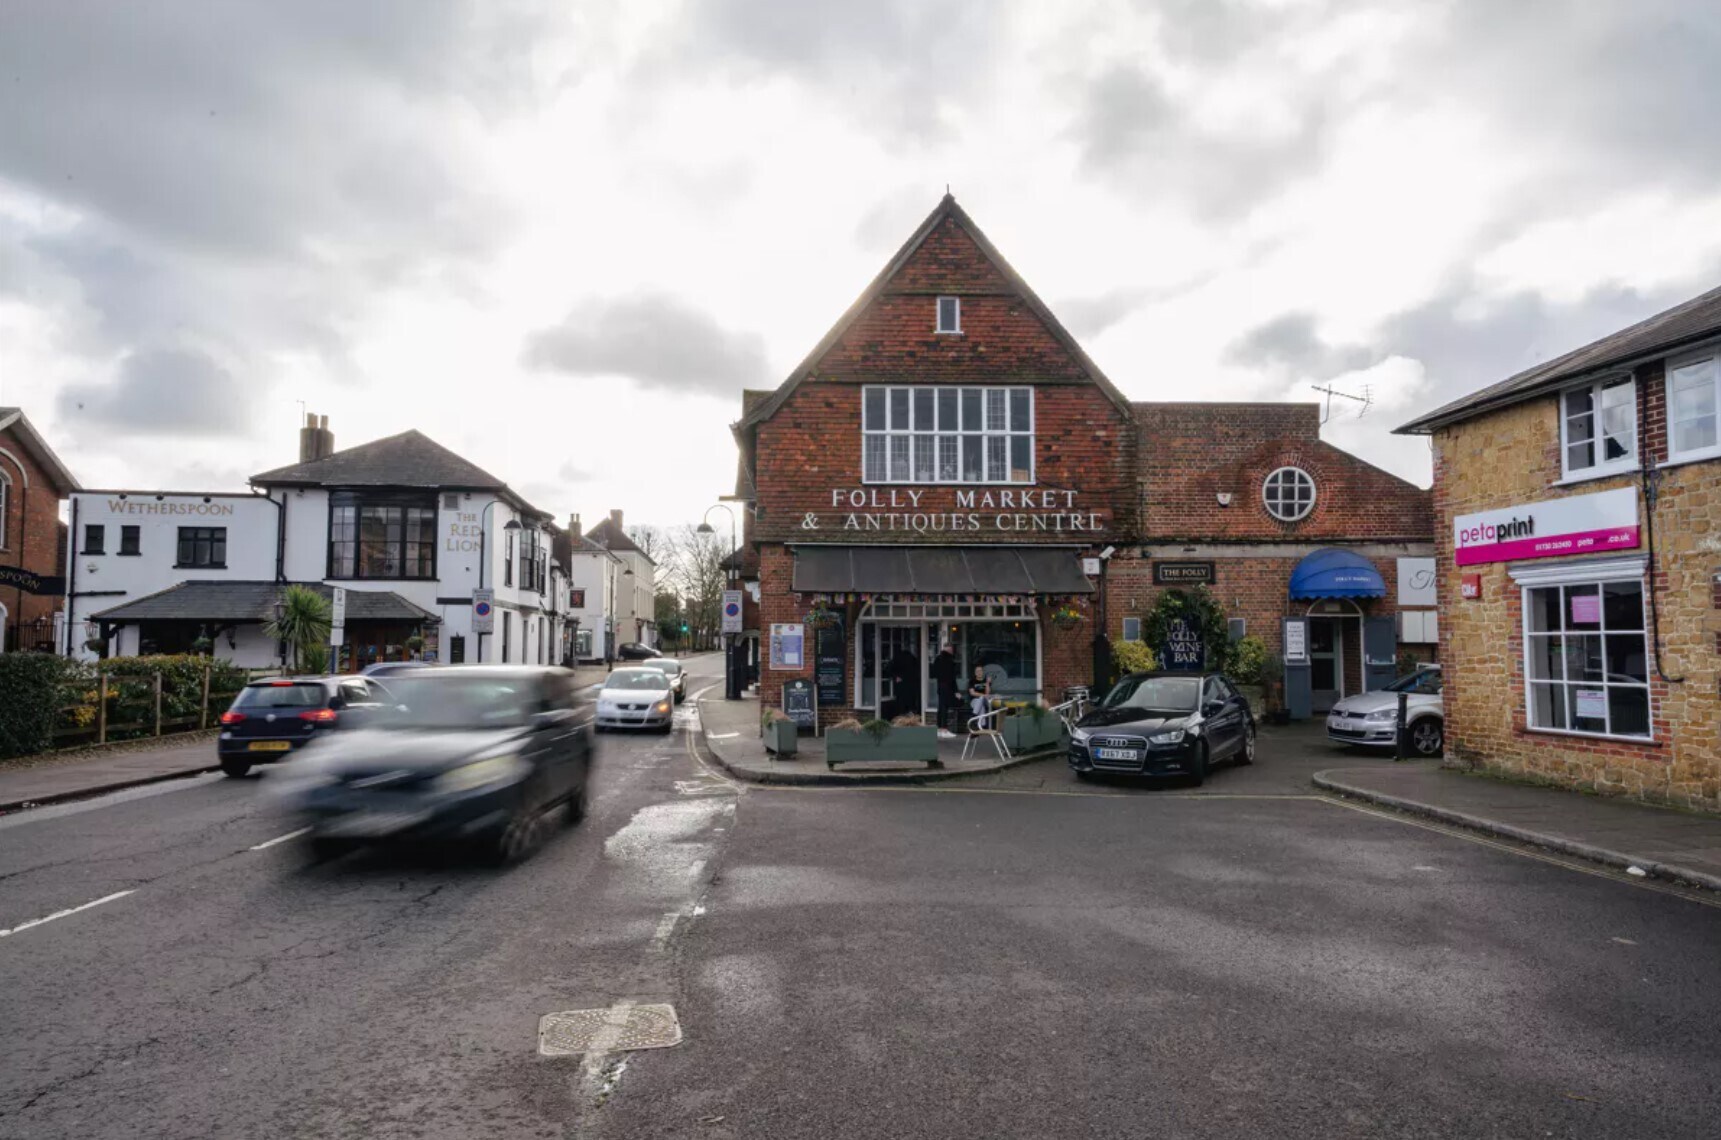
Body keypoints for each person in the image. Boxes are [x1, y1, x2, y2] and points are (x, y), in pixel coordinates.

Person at [930, 643, 960, 736]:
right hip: (947, 686)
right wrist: (956, 691)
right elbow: (952, 677)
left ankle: (939, 729)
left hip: (940, 685)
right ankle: (944, 729)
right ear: (950, 649)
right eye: (951, 649)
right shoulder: (949, 660)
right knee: (944, 707)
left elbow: (933, 673)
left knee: (941, 707)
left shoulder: (938, 659)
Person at [886, 645, 922, 718]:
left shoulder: (898, 658)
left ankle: (902, 716)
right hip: (910, 684)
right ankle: (910, 715)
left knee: (902, 703)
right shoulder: (912, 659)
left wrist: (895, 677)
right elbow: (918, 670)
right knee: (909, 702)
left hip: (903, 684)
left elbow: (888, 669)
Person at [967, 665, 993, 732]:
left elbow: (988, 693)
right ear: (975, 673)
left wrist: (987, 683)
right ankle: (983, 726)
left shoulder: (985, 680)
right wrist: (983, 695)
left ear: (983, 672)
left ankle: (973, 716)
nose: (979, 672)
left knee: (981, 699)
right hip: (974, 701)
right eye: (977, 671)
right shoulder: (972, 681)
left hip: (985, 701)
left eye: (980, 671)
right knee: (981, 707)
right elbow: (972, 693)